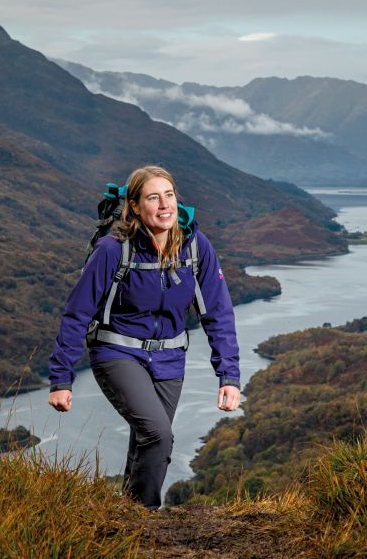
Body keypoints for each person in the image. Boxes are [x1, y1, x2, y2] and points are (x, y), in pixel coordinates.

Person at [47, 166, 241, 510]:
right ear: (135, 206)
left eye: (169, 195)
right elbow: (76, 312)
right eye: (153, 197)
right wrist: (62, 378)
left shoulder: (196, 246)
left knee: (147, 443)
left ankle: (127, 517)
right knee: (158, 435)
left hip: (170, 359)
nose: (165, 205)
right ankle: (146, 518)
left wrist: (229, 375)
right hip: (116, 353)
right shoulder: (113, 249)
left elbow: (218, 312)